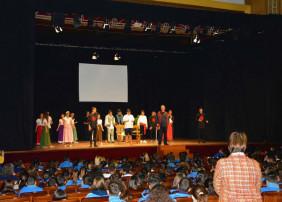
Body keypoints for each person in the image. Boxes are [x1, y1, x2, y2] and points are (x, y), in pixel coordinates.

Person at [213, 132, 262, 201]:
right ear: (245, 147)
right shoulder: (255, 164)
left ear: (229, 147)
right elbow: (258, 187)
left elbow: (217, 186)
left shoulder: (222, 163)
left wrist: (226, 196)